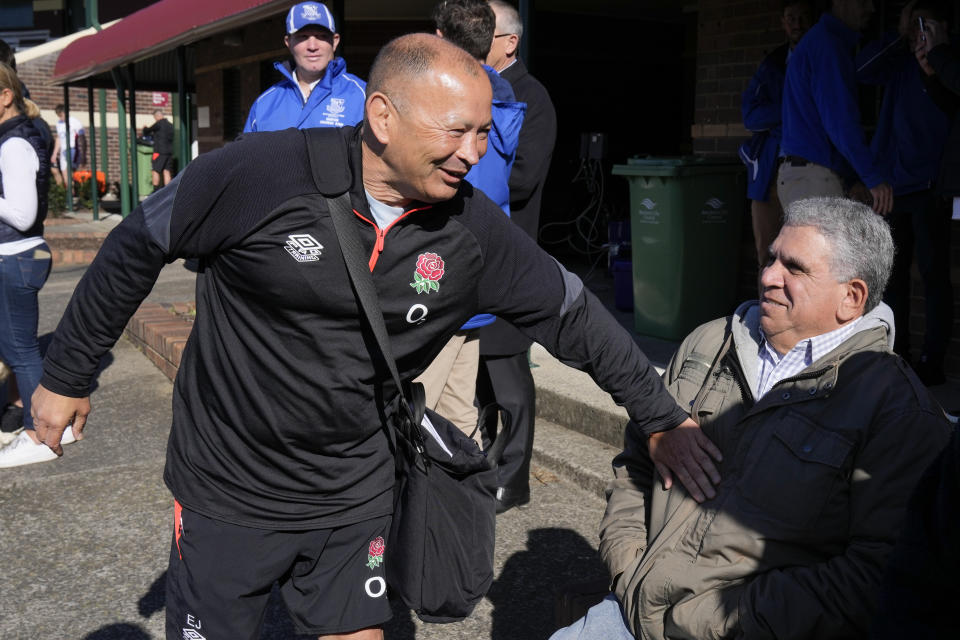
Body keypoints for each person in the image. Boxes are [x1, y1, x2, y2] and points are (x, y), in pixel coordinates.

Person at [30, 34, 701, 640]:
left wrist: (661, 417)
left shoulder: (471, 230)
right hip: (229, 487)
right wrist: (66, 375)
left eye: (484, 133)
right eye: (457, 130)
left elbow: (573, 314)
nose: (474, 153)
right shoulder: (257, 174)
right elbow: (134, 247)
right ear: (382, 117)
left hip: (354, 488)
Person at [550, 197, 952, 640]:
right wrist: (628, 567)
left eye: (794, 268)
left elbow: (872, 577)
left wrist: (716, 620)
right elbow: (634, 466)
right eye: (771, 258)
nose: (767, 277)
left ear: (851, 298)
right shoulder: (706, 344)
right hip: (633, 610)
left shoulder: (896, 411)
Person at [414, 0, 525, 441]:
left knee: (419, 407)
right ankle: (466, 501)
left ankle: (428, 506)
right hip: (480, 265)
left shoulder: (445, 103)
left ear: (441, 40)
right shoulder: (503, 98)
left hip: (437, 267)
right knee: (459, 409)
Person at [479, 0, 559, 513]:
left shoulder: (532, 97)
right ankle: (478, 464)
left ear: (509, 41)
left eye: (484, 30)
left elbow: (524, 176)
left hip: (509, 252)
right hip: (469, 250)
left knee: (508, 374)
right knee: (475, 372)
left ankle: (515, 477)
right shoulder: (475, 89)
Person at [856, 0, 955, 386]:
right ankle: (896, 357)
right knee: (891, 275)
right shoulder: (898, 59)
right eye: (912, 20)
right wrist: (900, 36)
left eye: (924, 21)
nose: (917, 29)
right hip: (895, 187)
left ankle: (932, 362)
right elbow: (861, 70)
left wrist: (937, 50)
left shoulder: (945, 62)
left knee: (934, 275)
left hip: (933, 184)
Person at [0, 64, 76, 466]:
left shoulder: (13, 143)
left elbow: (23, 214)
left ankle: (39, 432)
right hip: (16, 256)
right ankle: (26, 418)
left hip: (16, 255)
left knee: (21, 350)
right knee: (17, 347)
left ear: (5, 96)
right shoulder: (16, 136)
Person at [779, 0, 894, 215]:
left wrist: (851, 180)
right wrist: (872, 177)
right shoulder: (827, 45)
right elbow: (840, 122)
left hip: (802, 176)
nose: (871, 8)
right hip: (814, 179)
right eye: (864, 1)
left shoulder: (819, 41)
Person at [739, 1, 811, 266]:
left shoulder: (824, 58)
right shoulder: (773, 64)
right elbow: (750, 116)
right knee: (767, 253)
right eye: (791, 17)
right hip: (770, 170)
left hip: (808, 169)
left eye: (803, 17)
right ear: (782, 22)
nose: (797, 23)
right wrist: (789, 107)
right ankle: (765, 308)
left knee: (802, 255)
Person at [243, 1, 365, 132]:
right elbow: (245, 152)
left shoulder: (362, 96)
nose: (312, 46)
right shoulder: (264, 105)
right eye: (303, 37)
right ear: (288, 42)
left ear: (335, 41)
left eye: (321, 36)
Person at [52, 103, 86, 188]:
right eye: (58, 116)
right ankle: (70, 193)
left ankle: (73, 192)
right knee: (64, 173)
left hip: (72, 149)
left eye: (61, 115)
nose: (60, 118)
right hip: (63, 150)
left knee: (69, 171)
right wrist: (55, 153)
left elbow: (82, 138)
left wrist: (83, 154)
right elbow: (59, 138)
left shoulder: (74, 122)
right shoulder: (59, 123)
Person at [142, 109, 175, 190]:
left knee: (155, 170)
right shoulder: (170, 125)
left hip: (159, 152)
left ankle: (156, 191)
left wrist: (144, 128)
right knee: (166, 171)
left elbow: (147, 131)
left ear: (157, 116)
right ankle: (168, 190)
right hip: (169, 152)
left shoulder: (159, 124)